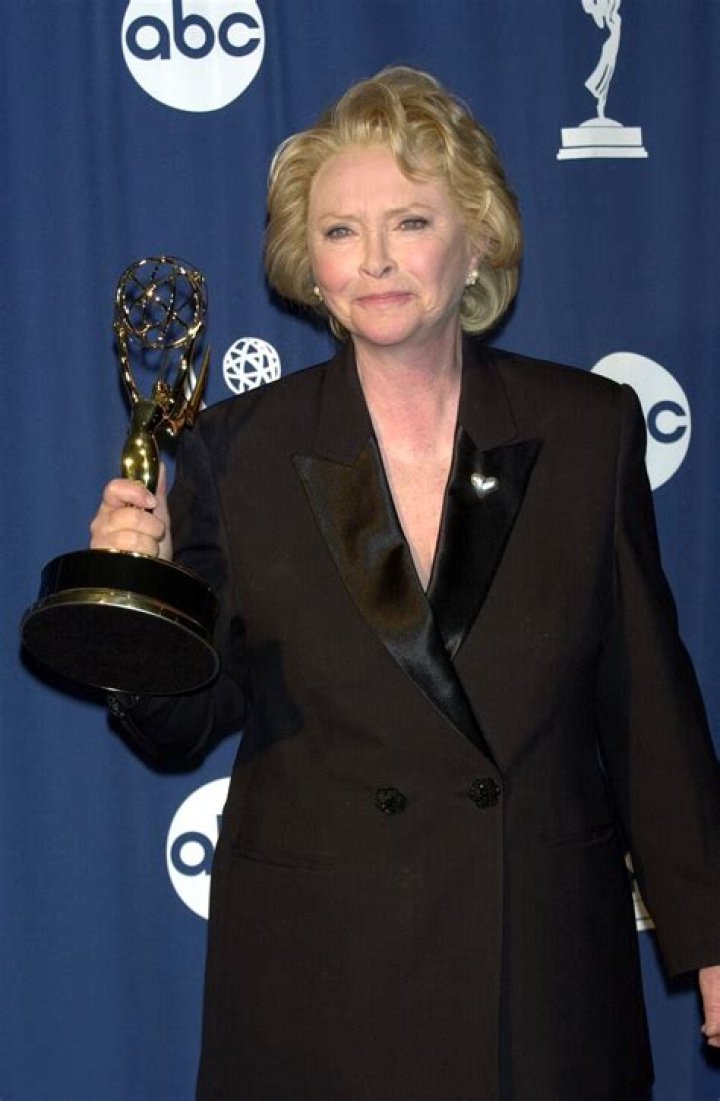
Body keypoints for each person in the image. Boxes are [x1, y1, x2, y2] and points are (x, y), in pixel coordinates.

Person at [90, 67, 720, 1101]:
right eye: (340, 231)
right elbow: (182, 723)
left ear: (476, 242)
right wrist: (138, 602)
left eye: (411, 222)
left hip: (539, 977)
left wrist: (710, 930)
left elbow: (647, 707)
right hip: (322, 981)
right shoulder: (237, 451)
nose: (375, 260)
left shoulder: (587, 429)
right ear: (309, 263)